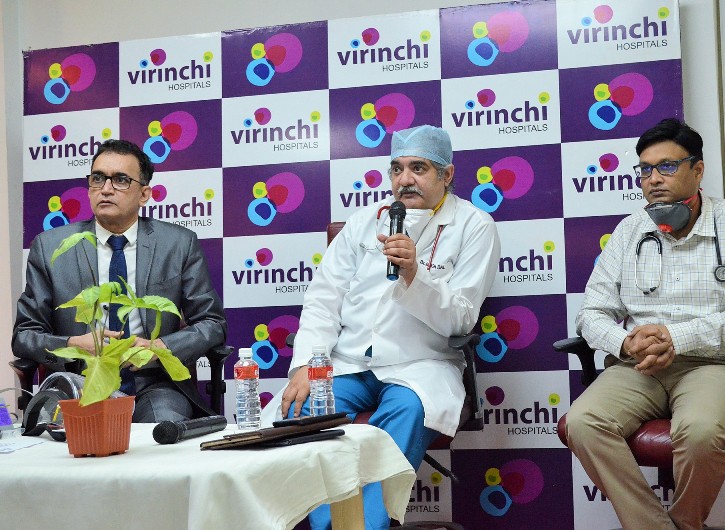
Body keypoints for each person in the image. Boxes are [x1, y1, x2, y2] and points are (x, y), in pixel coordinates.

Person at [266, 124, 500, 529]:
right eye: (397, 169)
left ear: (447, 174)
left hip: (420, 365)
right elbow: (323, 300)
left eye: (418, 168)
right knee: (302, 410)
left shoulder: (474, 225)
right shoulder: (364, 221)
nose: (404, 179)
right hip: (349, 363)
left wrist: (414, 275)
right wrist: (305, 365)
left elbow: (461, 317)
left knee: (405, 410)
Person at [565, 118, 725, 529]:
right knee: (582, 422)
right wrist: (626, 342)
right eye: (645, 169)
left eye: (667, 166)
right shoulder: (630, 230)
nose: (653, 179)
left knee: (700, 432)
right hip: (639, 366)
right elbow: (590, 314)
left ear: (698, 170)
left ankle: (683, 522)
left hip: (718, 364)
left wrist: (677, 337)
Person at [13, 139, 227, 422]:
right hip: (80, 381)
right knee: (69, 435)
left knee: (165, 426)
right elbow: (24, 336)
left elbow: (212, 323)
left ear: (144, 194)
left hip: (152, 382)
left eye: (121, 180)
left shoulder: (178, 244)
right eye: (98, 178)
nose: (106, 188)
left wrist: (159, 348)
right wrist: (75, 344)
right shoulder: (50, 247)